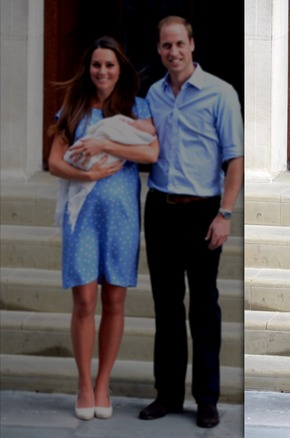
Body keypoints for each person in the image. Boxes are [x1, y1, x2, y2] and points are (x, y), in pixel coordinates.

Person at [138, 16, 244, 428]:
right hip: (160, 208)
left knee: (204, 308)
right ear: (160, 49)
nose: (173, 52)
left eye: (179, 44)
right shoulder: (153, 94)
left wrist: (225, 214)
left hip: (204, 212)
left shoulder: (220, 94)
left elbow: (235, 159)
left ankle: (207, 399)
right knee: (166, 306)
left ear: (192, 44)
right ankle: (166, 394)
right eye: (166, 45)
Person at [47, 36, 159, 421]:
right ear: (88, 69)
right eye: (97, 65)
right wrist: (90, 170)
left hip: (122, 215)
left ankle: (102, 383)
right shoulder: (75, 107)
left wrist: (104, 143)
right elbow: (54, 161)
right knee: (84, 301)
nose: (103, 72)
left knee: (114, 301)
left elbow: (150, 153)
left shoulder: (136, 107)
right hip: (82, 216)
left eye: (109, 65)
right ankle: (82, 382)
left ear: (120, 69)